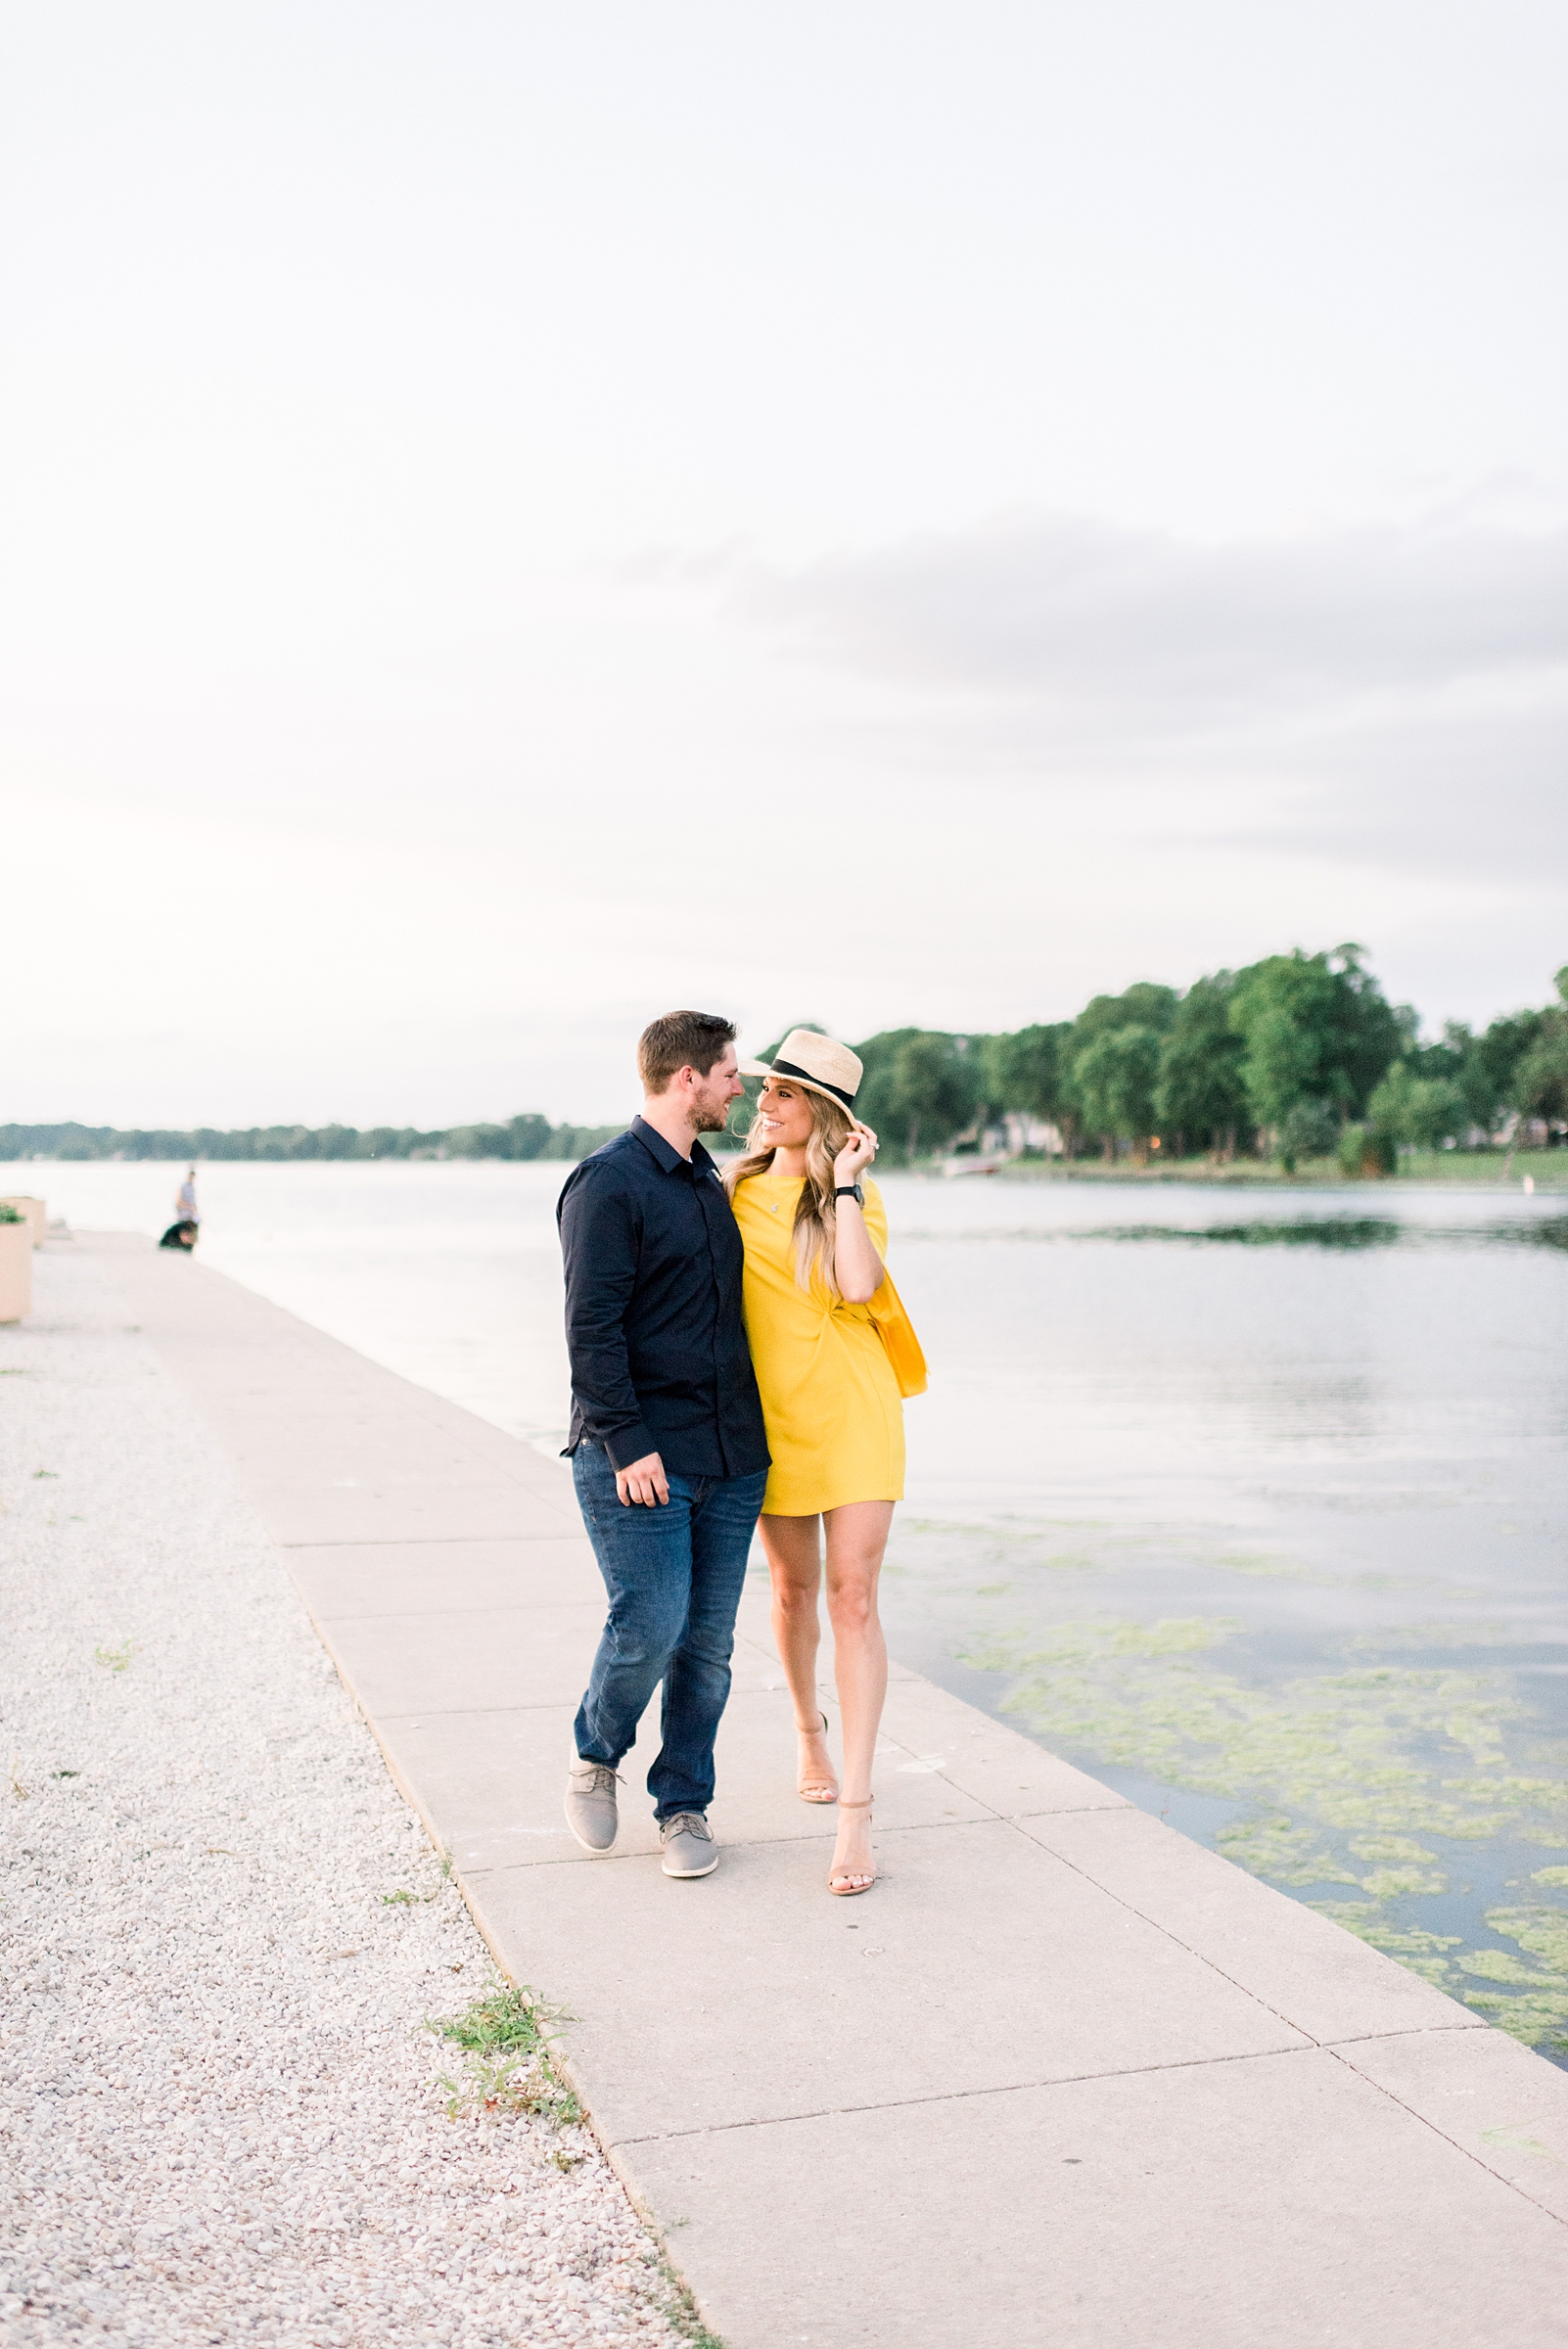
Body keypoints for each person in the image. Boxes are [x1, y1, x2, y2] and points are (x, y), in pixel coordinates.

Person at [556, 1011, 771, 1880]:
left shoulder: (707, 1178)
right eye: (729, 1074)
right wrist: (630, 1442)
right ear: (688, 1079)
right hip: (636, 1458)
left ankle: (683, 1804)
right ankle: (595, 1752)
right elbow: (590, 1331)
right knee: (649, 1624)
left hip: (731, 1460)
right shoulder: (607, 1184)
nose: (739, 1087)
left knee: (708, 1648)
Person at [725, 1030, 926, 1896]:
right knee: (791, 1590)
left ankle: (857, 1816)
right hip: (771, 1422)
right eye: (764, 1089)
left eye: (783, 1095)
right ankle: (809, 1733)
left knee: (853, 1598)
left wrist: (842, 1185)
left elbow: (853, 1286)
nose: (762, 1106)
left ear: (823, 1115)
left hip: (854, 1415)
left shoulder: (857, 1201)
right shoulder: (726, 1194)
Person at [158, 1168, 200, 1251]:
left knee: (192, 1229)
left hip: (190, 1215)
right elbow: (178, 1201)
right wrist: (188, 1207)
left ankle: (189, 1248)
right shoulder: (183, 1186)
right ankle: (183, 1247)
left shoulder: (192, 1188)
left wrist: (194, 1210)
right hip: (183, 1215)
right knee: (184, 1231)